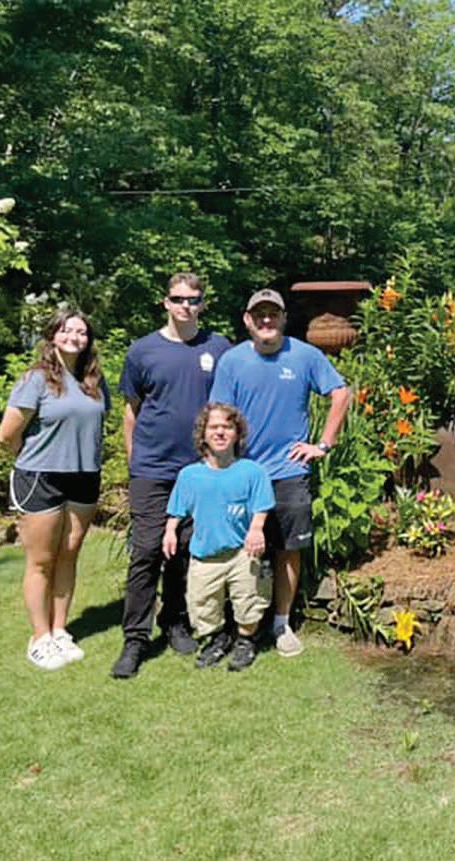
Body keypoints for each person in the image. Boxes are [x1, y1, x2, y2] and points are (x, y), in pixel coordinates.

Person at [209, 288, 350, 657]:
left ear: (284, 318)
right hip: (243, 471)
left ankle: (281, 623)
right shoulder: (232, 361)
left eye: (273, 313)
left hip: (289, 470)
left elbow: (340, 393)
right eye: (260, 314)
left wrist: (323, 445)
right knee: (239, 548)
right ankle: (241, 622)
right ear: (248, 320)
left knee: (289, 548)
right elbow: (219, 415)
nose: (267, 320)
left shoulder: (305, 356)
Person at [112, 272, 233, 679]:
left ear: (202, 304)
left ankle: (175, 620)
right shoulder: (143, 351)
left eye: (193, 299)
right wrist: (134, 463)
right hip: (152, 468)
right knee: (147, 550)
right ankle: (135, 639)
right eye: (178, 299)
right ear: (165, 302)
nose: (186, 306)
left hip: (198, 471)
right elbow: (131, 411)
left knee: (184, 548)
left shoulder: (218, 348)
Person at [0, 309, 111, 670]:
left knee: (69, 553)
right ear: (52, 336)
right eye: (66, 330)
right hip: (40, 477)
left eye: (81, 332)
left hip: (84, 476)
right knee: (42, 560)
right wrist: (33, 456)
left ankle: (60, 630)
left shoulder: (95, 381)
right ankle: (40, 637)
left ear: (88, 339)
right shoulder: (35, 379)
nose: (74, 337)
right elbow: (7, 434)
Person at [163, 404, 275, 672]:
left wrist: (256, 528)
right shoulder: (190, 475)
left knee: (249, 601)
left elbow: (262, 505)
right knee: (202, 607)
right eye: (213, 427)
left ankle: (245, 640)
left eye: (227, 427)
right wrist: (170, 531)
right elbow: (177, 509)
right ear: (203, 435)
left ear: (237, 434)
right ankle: (218, 638)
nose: (220, 432)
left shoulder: (252, 472)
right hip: (205, 556)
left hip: (242, 553)